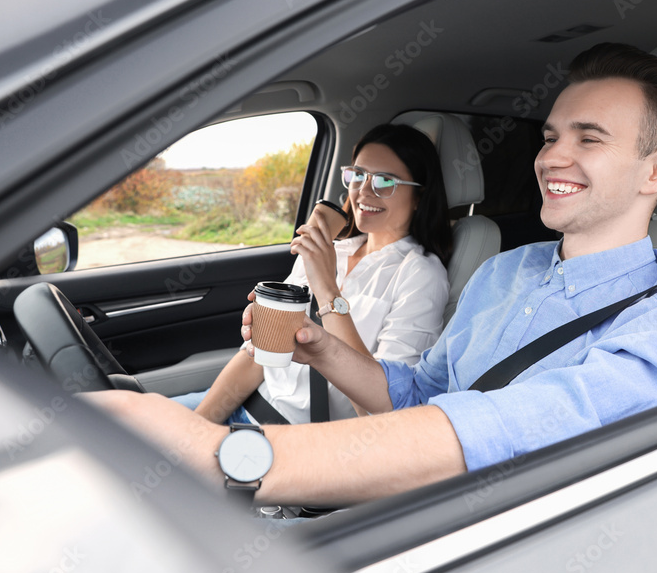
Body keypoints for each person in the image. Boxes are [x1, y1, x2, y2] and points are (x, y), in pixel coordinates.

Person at [87, 42, 657, 509]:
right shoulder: (503, 270)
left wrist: (226, 456)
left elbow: (509, 432)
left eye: (588, 139)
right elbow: (420, 391)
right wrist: (317, 347)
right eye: (548, 136)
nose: (551, 157)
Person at [174, 123, 452, 425]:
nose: (363, 191)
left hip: (294, 436)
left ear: (420, 197)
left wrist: (326, 286)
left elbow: (385, 410)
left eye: (385, 181)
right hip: (247, 403)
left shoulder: (420, 274)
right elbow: (257, 354)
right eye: (357, 175)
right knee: (130, 417)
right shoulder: (332, 249)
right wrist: (199, 426)